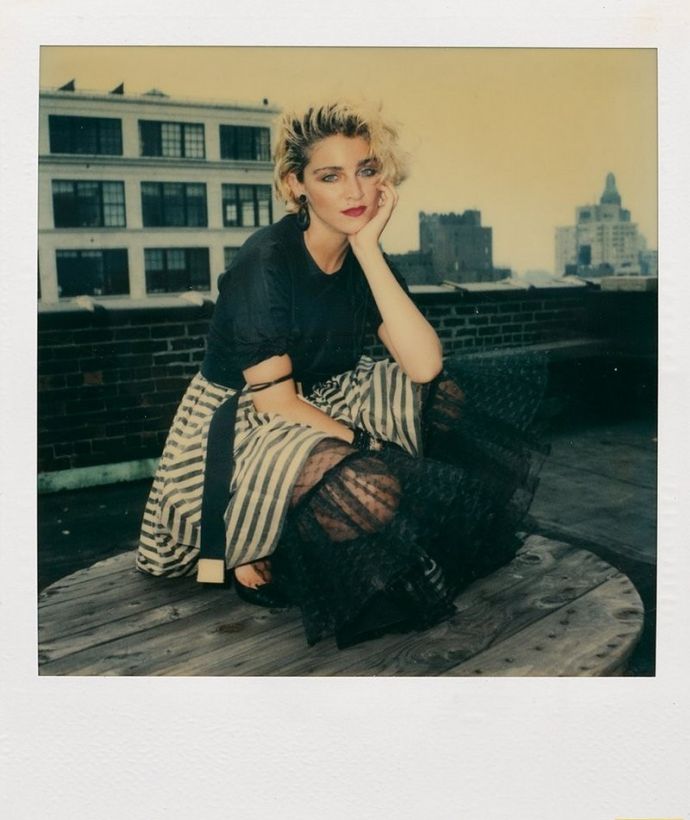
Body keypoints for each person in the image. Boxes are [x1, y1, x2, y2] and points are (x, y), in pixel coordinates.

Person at [137, 100, 548, 648]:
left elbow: (425, 365)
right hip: (242, 421)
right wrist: (369, 446)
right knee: (368, 488)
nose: (355, 192)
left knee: (445, 394)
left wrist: (368, 250)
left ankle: (297, 530)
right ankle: (259, 541)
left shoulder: (361, 253)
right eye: (331, 176)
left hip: (324, 397)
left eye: (366, 171)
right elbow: (276, 403)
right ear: (296, 185)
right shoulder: (265, 261)